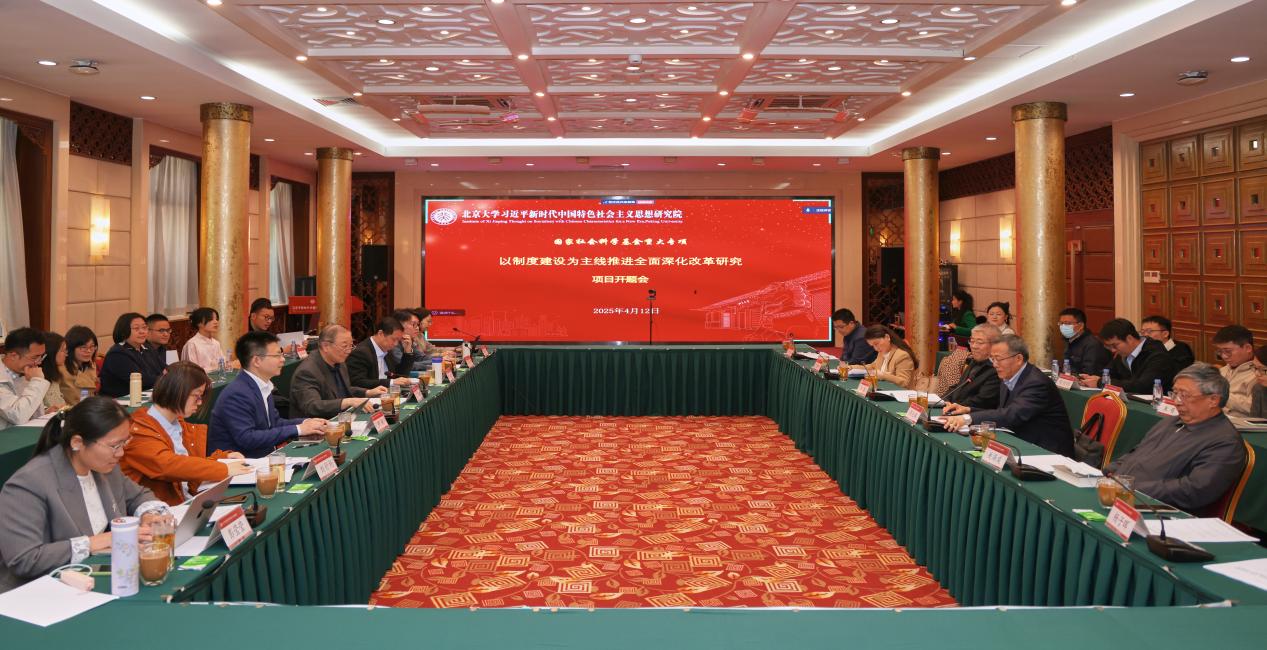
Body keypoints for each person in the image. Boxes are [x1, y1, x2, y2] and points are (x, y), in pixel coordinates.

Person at [0, 397, 170, 593]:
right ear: (77, 443)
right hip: (40, 592)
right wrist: (94, 543)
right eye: (115, 445)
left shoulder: (103, 466)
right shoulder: (29, 483)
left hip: (95, 578)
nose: (121, 453)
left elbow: (138, 496)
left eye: (125, 442)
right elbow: (24, 559)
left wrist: (150, 515)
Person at [1106, 363, 1247, 513]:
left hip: (1158, 511)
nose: (1177, 401)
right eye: (1174, 393)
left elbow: (1194, 490)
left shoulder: (1225, 442)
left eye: (1184, 395)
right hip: (1122, 493)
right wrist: (1110, 471)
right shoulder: (1170, 422)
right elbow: (1137, 453)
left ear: (1213, 400)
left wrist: (1131, 487)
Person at [121, 362, 251, 505]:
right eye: (197, 396)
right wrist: (224, 468)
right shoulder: (138, 430)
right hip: (163, 510)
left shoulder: (178, 425)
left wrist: (222, 458)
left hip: (186, 501)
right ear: (176, 391)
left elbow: (189, 465)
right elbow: (169, 465)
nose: (199, 402)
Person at [943, 334, 1074, 455]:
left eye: (998, 359)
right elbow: (1002, 411)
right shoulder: (1009, 375)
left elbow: (1012, 414)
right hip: (1022, 440)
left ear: (1018, 359)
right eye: (992, 359)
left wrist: (967, 418)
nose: (994, 364)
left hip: (1047, 451)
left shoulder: (1036, 383)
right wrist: (968, 409)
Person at [209, 331, 326, 458]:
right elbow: (247, 439)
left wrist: (307, 422)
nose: (282, 359)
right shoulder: (237, 394)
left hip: (262, 458)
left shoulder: (262, 385)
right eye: (277, 355)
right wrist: (299, 429)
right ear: (257, 361)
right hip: (240, 463)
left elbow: (274, 423)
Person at [289, 325, 387, 419]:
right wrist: (347, 402)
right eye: (344, 346)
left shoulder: (339, 362)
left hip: (342, 419)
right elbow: (313, 406)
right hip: (318, 425)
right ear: (326, 346)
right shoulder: (307, 371)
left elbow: (342, 390)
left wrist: (368, 392)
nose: (349, 351)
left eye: (351, 345)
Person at [1079, 318, 1175, 393]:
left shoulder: (1158, 355)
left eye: (1115, 345)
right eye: (1109, 347)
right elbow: (1108, 373)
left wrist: (1101, 382)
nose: (1113, 350)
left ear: (1129, 338)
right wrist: (1090, 379)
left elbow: (1142, 386)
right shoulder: (1123, 354)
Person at [941, 324, 1002, 410]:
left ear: (994, 345)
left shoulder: (997, 369)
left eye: (980, 342)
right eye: (972, 341)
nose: (974, 346)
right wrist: (943, 401)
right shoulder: (974, 361)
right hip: (954, 409)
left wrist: (954, 406)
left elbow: (982, 401)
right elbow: (958, 387)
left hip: (972, 414)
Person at [100, 313, 162, 397]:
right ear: (124, 331)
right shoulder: (117, 353)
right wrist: (166, 379)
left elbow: (164, 368)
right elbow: (142, 380)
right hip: (119, 400)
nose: (142, 331)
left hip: (147, 394)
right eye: (136, 328)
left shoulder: (147, 347)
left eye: (144, 327)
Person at [0, 328, 51, 429]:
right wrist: (37, 381)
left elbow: (25, 405)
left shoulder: (24, 372)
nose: (39, 362)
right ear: (13, 356)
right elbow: (17, 415)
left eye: (41, 356)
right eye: (34, 357)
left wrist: (45, 411)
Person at [346, 317, 416, 390]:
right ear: (380, 334)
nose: (396, 344)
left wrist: (407, 352)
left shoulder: (387, 350)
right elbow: (357, 382)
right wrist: (390, 382)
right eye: (394, 339)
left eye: (398, 340)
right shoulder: (361, 352)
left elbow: (399, 375)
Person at [846, 324, 917, 388]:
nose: (875, 348)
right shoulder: (882, 352)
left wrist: (884, 376)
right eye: (872, 346)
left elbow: (904, 383)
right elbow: (872, 367)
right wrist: (851, 367)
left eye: (876, 344)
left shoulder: (902, 356)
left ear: (887, 337)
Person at [1212, 325, 1256, 419]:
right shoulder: (1223, 370)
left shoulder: (1259, 375)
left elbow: (1254, 407)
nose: (1224, 356)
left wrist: (1221, 395)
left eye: (1228, 351)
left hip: (1239, 423)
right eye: (1220, 352)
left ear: (1248, 348)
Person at [1059, 307, 1111, 376]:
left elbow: (1089, 373)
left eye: (1067, 323)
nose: (1063, 326)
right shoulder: (1069, 340)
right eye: (1061, 323)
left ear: (1081, 325)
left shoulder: (1092, 344)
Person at [59, 325, 99, 406]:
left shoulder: (91, 365)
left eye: (92, 347)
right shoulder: (61, 369)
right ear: (71, 348)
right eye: (83, 347)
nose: (89, 351)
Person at [181, 307, 230, 373]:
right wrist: (216, 368)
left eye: (216, 319)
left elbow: (222, 364)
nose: (216, 322)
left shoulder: (216, 343)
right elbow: (192, 371)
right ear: (199, 323)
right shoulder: (192, 344)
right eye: (211, 319)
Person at [39, 331, 67, 410]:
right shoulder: (38, 377)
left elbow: (60, 404)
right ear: (51, 352)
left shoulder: (53, 374)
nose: (66, 354)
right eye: (62, 350)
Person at [1250, 345, 1267, 419]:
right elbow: (1253, 421)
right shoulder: (1258, 389)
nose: (1257, 374)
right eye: (1255, 368)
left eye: (1263, 369)